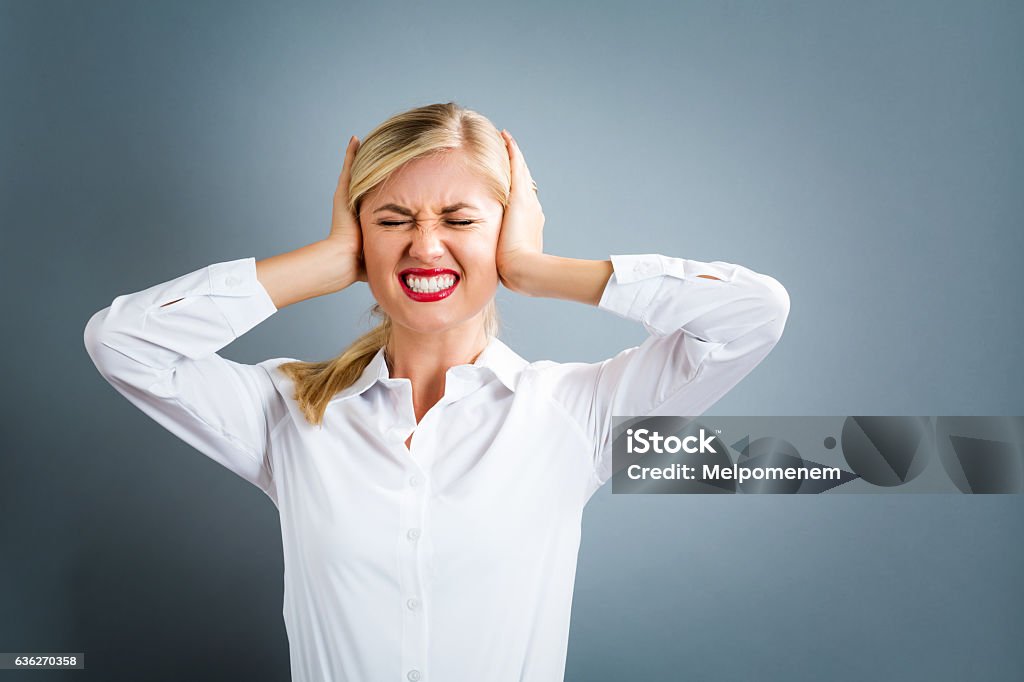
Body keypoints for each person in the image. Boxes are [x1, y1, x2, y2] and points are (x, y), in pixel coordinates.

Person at [83, 102, 791, 682]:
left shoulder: (574, 412)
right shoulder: (290, 412)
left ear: (505, 230)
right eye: (393, 219)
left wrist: (537, 269)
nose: (425, 247)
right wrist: (323, 263)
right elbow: (123, 343)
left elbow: (752, 316)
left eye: (459, 220)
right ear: (360, 234)